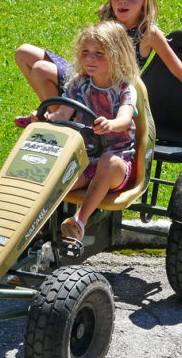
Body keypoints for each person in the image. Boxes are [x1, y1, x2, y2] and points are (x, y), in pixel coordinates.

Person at [13, 0, 182, 127]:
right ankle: (56, 113)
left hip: (110, 88)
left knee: (40, 69)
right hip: (85, 75)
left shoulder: (148, 33)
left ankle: (58, 122)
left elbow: (176, 68)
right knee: (24, 53)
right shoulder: (106, 14)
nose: (122, 1)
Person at [47, 21, 139, 241]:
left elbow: (125, 119)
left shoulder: (125, 89)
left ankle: (79, 221)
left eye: (99, 53)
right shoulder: (79, 84)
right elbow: (61, 114)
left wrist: (110, 124)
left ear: (117, 55)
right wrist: (40, 118)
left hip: (117, 164)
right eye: (85, 52)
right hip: (85, 161)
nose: (90, 59)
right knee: (51, 179)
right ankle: (32, 231)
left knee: (109, 161)